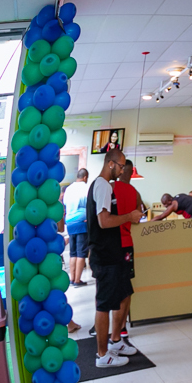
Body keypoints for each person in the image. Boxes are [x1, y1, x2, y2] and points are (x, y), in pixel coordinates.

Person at [87, 149, 143, 368]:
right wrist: (129, 216)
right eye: (120, 166)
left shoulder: (106, 187)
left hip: (115, 251)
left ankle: (116, 341)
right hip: (104, 254)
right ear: (111, 164)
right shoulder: (101, 185)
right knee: (104, 304)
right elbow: (103, 221)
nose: (122, 171)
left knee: (125, 294)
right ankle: (102, 355)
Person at [111, 159, 143, 340]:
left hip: (109, 245)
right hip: (126, 245)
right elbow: (137, 218)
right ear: (131, 173)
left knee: (110, 288)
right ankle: (121, 328)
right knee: (126, 289)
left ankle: (108, 327)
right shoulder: (134, 193)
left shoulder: (109, 188)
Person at [62, 168, 89, 288]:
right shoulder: (85, 187)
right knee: (81, 253)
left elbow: (65, 204)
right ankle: (78, 280)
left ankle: (72, 278)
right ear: (85, 177)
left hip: (70, 222)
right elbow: (90, 204)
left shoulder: (69, 189)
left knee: (73, 253)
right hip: (81, 222)